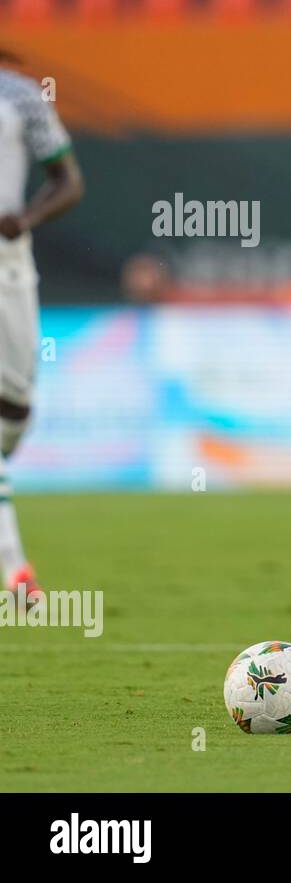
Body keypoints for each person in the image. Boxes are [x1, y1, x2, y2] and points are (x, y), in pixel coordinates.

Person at [0, 60, 85, 605]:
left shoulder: (20, 95)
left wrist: (25, 221)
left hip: (7, 261)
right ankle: (14, 567)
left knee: (15, 409)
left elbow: (69, 181)